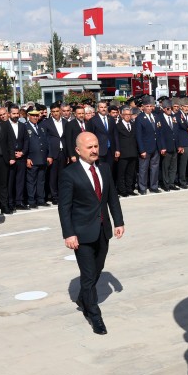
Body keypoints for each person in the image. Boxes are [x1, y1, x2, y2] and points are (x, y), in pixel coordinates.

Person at [58, 132, 124, 336]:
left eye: (96, 146)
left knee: (98, 268)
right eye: (90, 147)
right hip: (81, 233)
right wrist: (69, 234)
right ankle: (94, 315)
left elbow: (112, 197)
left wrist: (118, 221)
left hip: (103, 230)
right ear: (78, 151)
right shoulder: (69, 174)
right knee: (88, 276)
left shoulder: (104, 168)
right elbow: (64, 207)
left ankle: (82, 298)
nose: (95, 150)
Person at [134, 96, 163, 195]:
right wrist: (142, 150)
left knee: (155, 167)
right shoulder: (140, 118)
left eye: (151, 106)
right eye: (147, 106)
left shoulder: (156, 116)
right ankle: (142, 187)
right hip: (145, 148)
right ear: (143, 107)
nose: (149, 108)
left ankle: (154, 186)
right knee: (143, 168)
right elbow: (139, 136)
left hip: (156, 147)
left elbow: (159, 133)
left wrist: (162, 147)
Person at [25, 108, 51, 208]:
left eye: (37, 115)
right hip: (32, 158)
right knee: (31, 181)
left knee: (41, 180)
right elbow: (25, 144)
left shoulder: (41, 127)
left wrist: (49, 155)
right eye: (33, 115)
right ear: (29, 116)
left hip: (42, 158)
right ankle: (31, 200)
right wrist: (27, 157)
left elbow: (47, 142)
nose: (35, 117)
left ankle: (41, 199)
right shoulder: (25, 127)